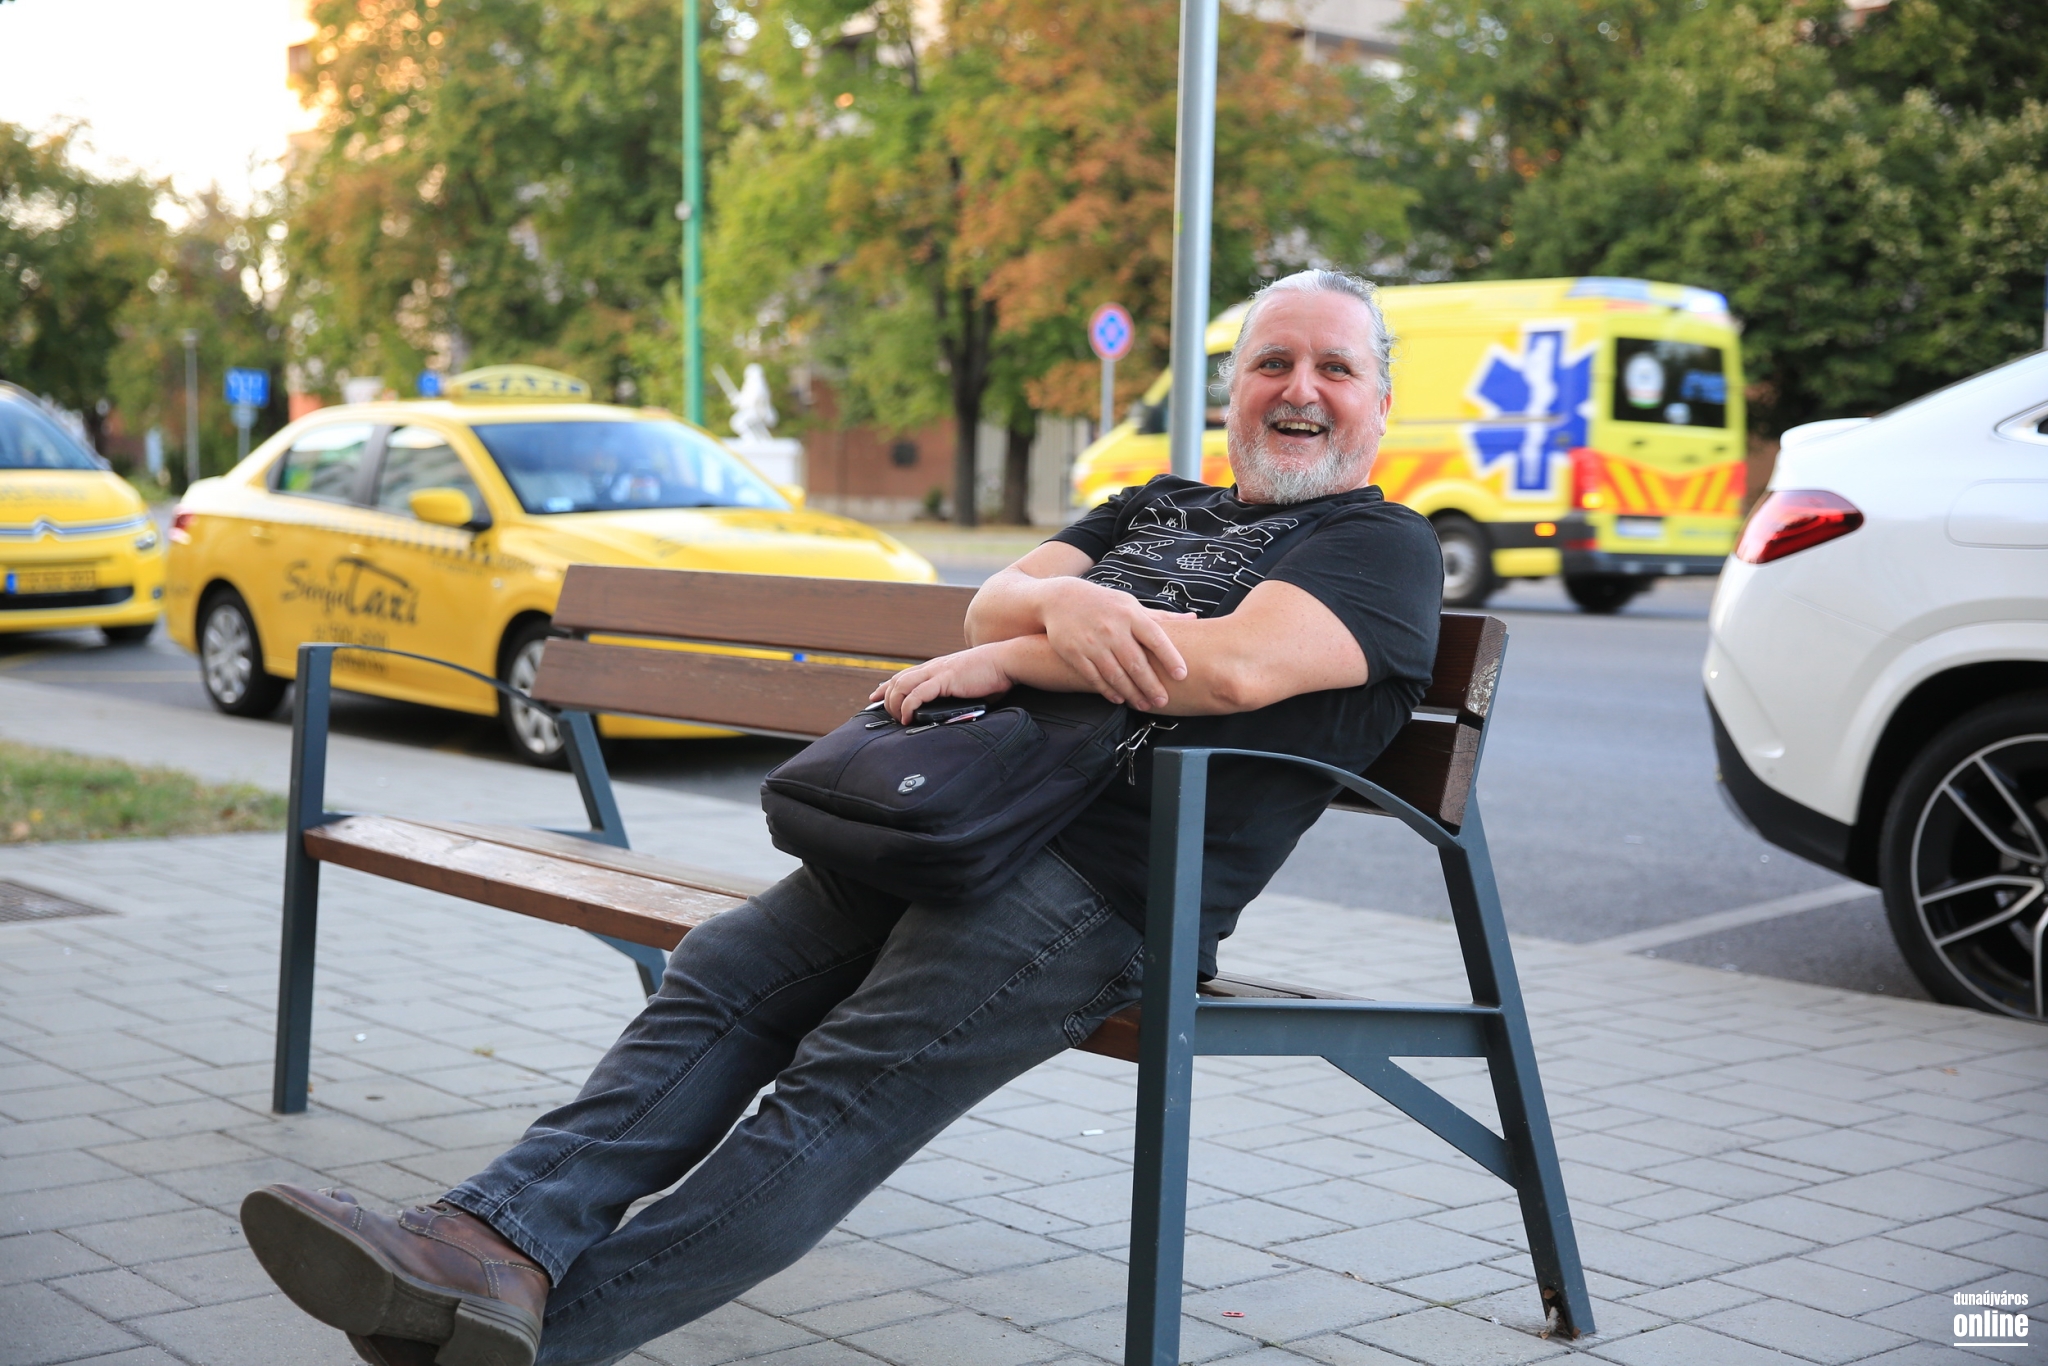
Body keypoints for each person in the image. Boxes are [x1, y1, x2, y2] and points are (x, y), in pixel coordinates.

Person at [240, 270, 1445, 1366]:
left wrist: (1024, 649)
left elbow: (1221, 669)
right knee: (720, 972)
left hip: (1105, 889)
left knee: (839, 1088)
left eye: (1332, 368)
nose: (1299, 388)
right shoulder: (1154, 503)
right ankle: (485, 1241)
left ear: (1378, 404)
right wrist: (1051, 621)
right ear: (1232, 392)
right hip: (959, 827)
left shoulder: (1377, 546)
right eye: (1271, 361)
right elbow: (989, 602)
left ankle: (539, 1339)